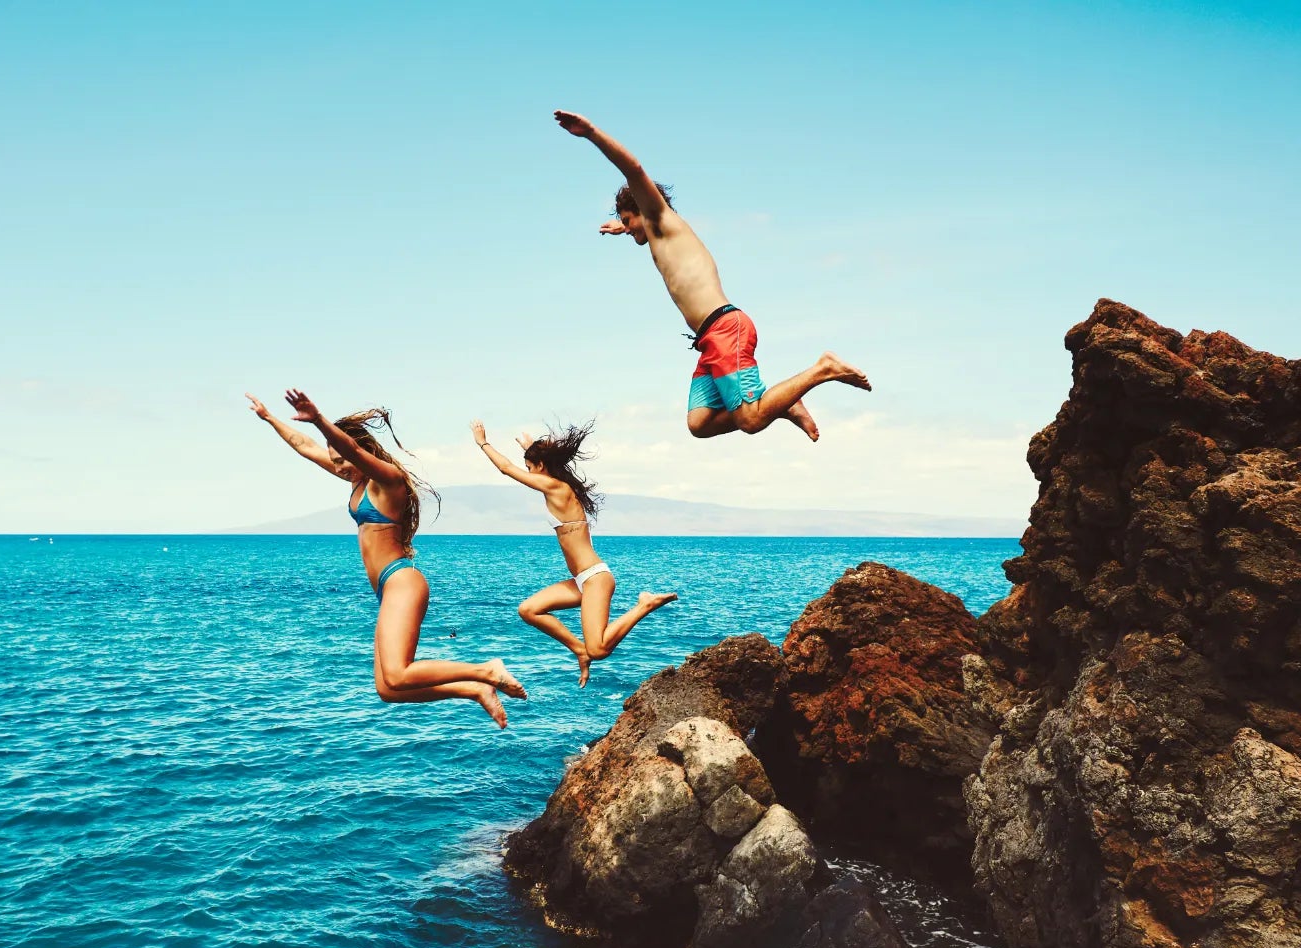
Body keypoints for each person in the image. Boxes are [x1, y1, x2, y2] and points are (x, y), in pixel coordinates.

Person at [554, 109, 872, 441]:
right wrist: (624, 228)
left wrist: (591, 133)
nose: (628, 226)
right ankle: (780, 404)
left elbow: (633, 169)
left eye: (628, 218)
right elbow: (640, 227)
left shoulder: (660, 219)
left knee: (750, 420)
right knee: (699, 423)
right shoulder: (660, 234)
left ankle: (823, 369)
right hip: (709, 340)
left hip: (725, 329)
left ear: (642, 211)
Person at [250, 389, 527, 726]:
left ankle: (486, 670)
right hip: (386, 589)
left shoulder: (389, 481)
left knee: (399, 672)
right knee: (389, 688)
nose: (338, 466)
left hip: (402, 581)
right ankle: (473, 689)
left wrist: (320, 419)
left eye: (341, 459)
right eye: (334, 460)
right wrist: (269, 419)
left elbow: (349, 448)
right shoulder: (356, 479)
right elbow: (305, 447)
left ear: (363, 453)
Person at [471, 420, 677, 687]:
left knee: (599, 650)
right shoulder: (557, 486)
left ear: (541, 467)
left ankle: (644, 604)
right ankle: (578, 650)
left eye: (530, 469)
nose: (529, 474)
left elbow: (505, 468)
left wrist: (483, 443)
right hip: (581, 580)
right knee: (529, 610)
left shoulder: (558, 488)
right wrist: (531, 449)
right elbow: (535, 466)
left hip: (594, 578)